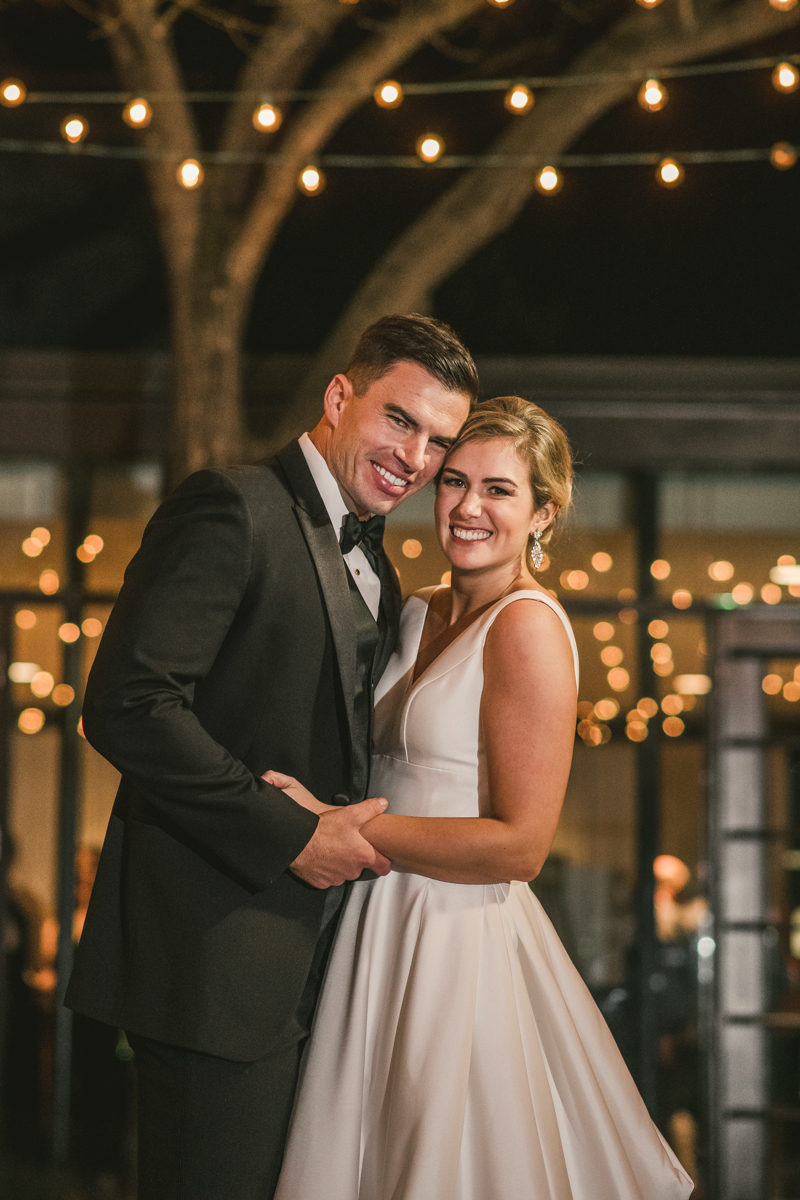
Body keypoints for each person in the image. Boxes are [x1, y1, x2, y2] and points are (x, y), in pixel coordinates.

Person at [65, 314, 476, 1200]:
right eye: (399, 419)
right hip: (211, 968)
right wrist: (288, 832)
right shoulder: (232, 504)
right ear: (340, 397)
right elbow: (127, 705)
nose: (416, 456)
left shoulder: (381, 564)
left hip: (317, 973)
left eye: (439, 440)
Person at [269, 396, 694, 1199]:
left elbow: (521, 845)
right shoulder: (418, 607)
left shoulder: (528, 627)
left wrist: (346, 830)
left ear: (544, 513)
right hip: (372, 925)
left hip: (452, 933)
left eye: (499, 490)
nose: (468, 508)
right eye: (455, 482)